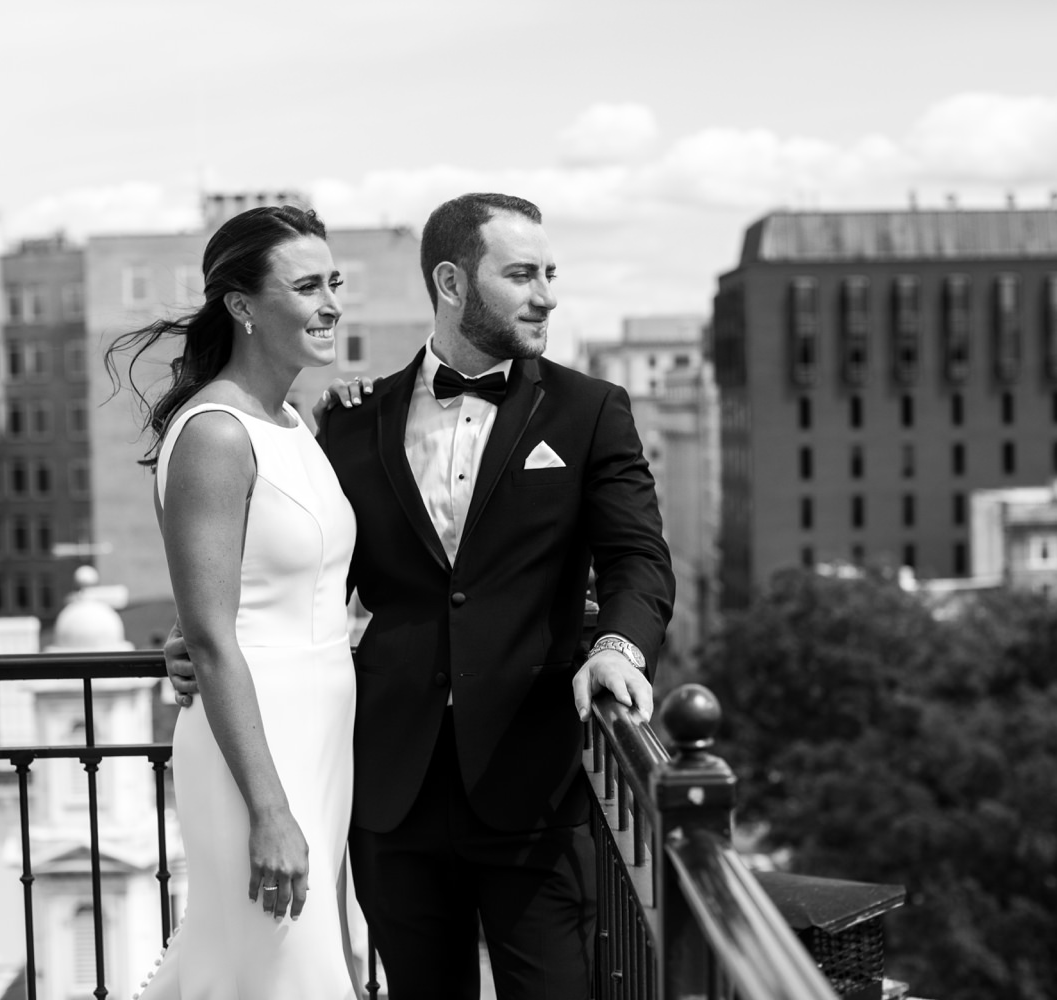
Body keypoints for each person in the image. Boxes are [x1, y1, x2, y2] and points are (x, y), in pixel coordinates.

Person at [166, 192, 675, 999]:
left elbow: (639, 560)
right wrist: (199, 636)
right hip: (386, 789)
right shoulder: (349, 421)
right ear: (451, 281)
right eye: (521, 274)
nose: (547, 293)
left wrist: (616, 648)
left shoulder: (589, 411)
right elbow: (298, 563)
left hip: (529, 786)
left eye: (551, 273)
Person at [107, 205, 364, 999]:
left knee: (297, 971)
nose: (332, 305)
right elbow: (217, 639)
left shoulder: (290, 422)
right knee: (285, 977)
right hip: (257, 755)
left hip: (322, 738)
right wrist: (269, 809)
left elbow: (282, 583)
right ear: (244, 306)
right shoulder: (217, 433)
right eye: (309, 286)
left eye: (336, 284)